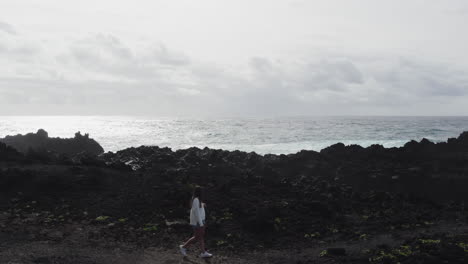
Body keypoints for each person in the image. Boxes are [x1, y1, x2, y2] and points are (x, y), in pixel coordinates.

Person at [179, 186, 213, 258]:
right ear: (200, 193)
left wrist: (202, 204)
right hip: (198, 222)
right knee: (197, 237)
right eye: (202, 192)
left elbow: (197, 208)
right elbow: (196, 212)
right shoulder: (196, 200)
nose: (203, 193)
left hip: (200, 221)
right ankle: (183, 247)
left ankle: (203, 252)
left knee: (200, 237)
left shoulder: (197, 200)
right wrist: (200, 223)